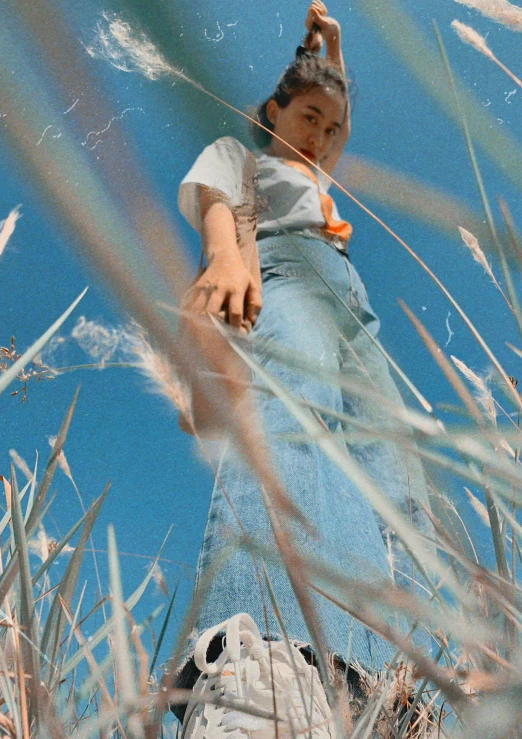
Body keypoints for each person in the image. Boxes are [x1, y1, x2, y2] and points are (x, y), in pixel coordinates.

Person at [172, 3, 435, 736]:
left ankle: (376, 693)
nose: (321, 135)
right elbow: (221, 197)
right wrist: (227, 256)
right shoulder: (253, 155)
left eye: (333, 128)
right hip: (283, 277)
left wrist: (337, 50)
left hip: (357, 315)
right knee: (289, 423)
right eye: (309, 117)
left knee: (393, 481)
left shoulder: (317, 170)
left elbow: (336, 109)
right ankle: (260, 672)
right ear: (274, 110)